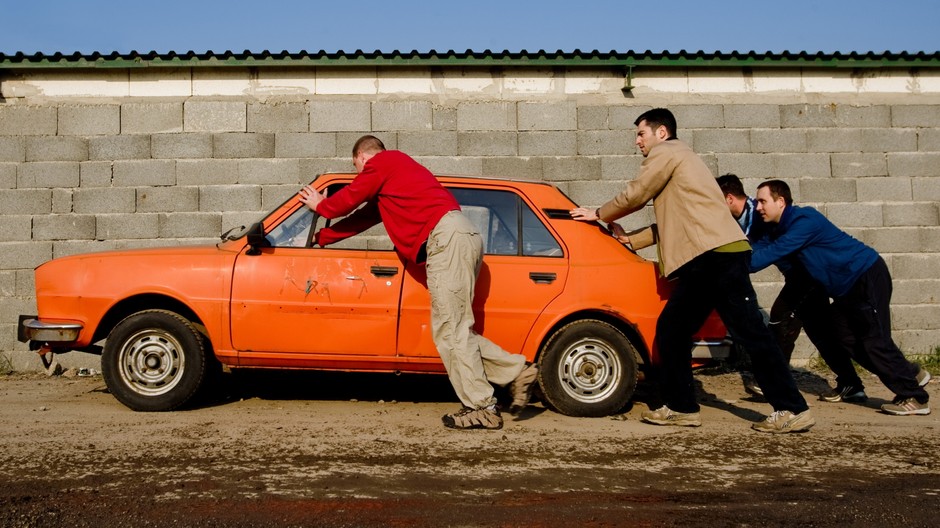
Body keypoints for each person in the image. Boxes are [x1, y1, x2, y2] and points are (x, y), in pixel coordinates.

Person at [570, 108, 814, 434]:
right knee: (672, 330)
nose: (637, 141)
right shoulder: (683, 166)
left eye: (641, 133)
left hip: (717, 258)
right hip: (707, 259)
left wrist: (598, 212)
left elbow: (637, 193)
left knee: (750, 334)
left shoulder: (668, 152)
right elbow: (674, 222)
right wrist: (631, 239)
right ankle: (683, 407)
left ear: (661, 133)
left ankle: (792, 408)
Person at [299, 135, 538, 430]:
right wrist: (322, 237)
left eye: (358, 168)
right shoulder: (395, 178)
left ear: (362, 156)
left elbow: (347, 200)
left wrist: (322, 206)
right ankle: (516, 371)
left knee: (453, 330)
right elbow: (362, 217)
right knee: (452, 329)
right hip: (456, 236)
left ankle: (483, 407)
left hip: (446, 239)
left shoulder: (385, 161)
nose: (361, 174)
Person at [750, 180, 931, 416]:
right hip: (846, 289)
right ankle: (907, 373)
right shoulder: (775, 227)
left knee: (874, 340)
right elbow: (755, 249)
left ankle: (915, 397)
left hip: (865, 276)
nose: (758, 207)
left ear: (781, 201)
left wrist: (735, 265)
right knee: (842, 335)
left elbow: (765, 256)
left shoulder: (804, 221)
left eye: (763, 201)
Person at [716, 174, 868, 403]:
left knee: (780, 321)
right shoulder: (743, 218)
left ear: (728, 199)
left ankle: (774, 382)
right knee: (820, 332)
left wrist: (738, 266)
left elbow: (755, 252)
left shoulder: (756, 215)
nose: (760, 206)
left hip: (805, 277)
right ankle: (852, 383)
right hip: (800, 277)